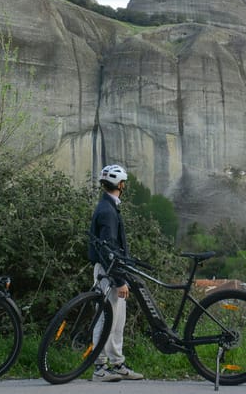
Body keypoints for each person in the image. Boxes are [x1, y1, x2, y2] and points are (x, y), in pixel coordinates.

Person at [87, 164, 144, 383]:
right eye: (124, 183)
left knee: (118, 320)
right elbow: (108, 248)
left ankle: (117, 363)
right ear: (120, 185)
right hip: (108, 274)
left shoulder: (108, 206)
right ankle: (100, 367)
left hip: (114, 271)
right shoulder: (107, 211)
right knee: (105, 319)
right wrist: (119, 280)